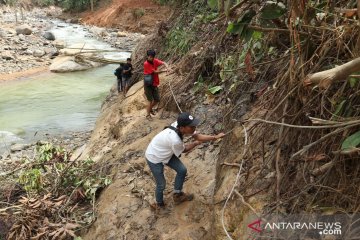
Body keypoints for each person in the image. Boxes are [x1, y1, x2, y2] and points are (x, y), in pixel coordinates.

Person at [145, 112, 226, 210]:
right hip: (154, 157)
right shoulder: (175, 140)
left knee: (182, 170)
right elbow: (185, 150)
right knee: (161, 184)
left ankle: (177, 195)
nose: (194, 129)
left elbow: (198, 136)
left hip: (166, 152)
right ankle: (159, 203)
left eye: (194, 126)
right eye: (191, 127)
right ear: (182, 128)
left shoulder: (179, 124)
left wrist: (215, 137)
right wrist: (195, 143)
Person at [143, 49, 169, 120]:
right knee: (150, 100)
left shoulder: (155, 61)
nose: (151, 58)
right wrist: (165, 70)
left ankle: (150, 108)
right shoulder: (146, 64)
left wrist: (167, 67)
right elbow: (155, 72)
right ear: (147, 56)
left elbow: (163, 62)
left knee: (157, 99)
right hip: (148, 84)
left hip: (154, 83)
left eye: (153, 57)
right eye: (150, 57)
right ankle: (148, 115)